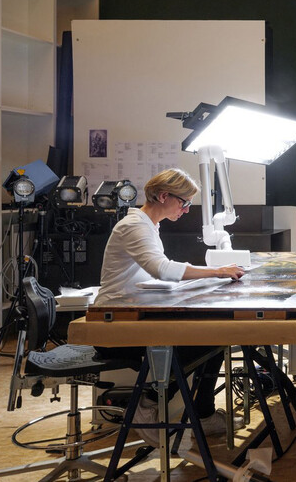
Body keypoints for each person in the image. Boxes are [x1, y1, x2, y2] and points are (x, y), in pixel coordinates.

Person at [93, 167, 245, 445]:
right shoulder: (133, 226)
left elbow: (155, 272)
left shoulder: (149, 225)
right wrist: (216, 272)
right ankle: (147, 402)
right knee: (208, 340)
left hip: (131, 312)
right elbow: (161, 269)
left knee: (215, 338)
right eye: (184, 202)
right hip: (115, 323)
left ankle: (202, 413)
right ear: (164, 196)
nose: (186, 210)